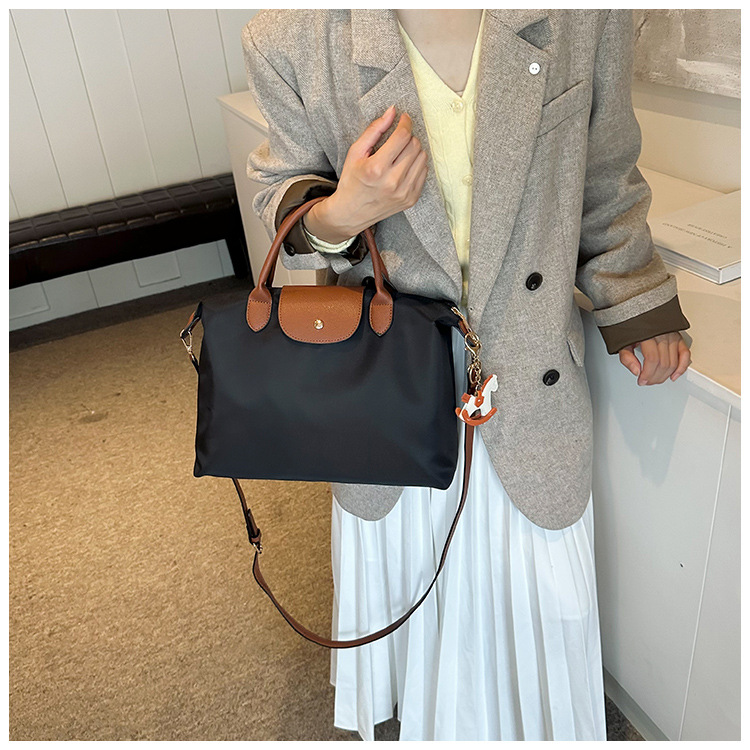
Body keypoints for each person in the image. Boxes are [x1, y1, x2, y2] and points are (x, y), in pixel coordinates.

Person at [242, 9, 692, 741]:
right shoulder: (292, 35)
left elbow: (606, 174)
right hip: (390, 380)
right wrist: (345, 211)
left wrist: (635, 295)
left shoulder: (586, 16)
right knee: (416, 562)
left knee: (536, 576)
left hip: (529, 367)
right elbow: (283, 196)